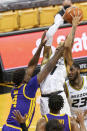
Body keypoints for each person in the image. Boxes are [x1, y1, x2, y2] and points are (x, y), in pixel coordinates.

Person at [2, 31, 65, 131]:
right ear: (24, 79)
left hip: (7, 127)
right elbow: (47, 69)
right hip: (17, 129)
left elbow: (31, 66)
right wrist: (58, 54)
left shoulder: (15, 90)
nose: (29, 74)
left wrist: (40, 46)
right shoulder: (28, 88)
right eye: (27, 74)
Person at [40, 10, 81, 116]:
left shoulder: (67, 62)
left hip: (60, 96)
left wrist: (74, 26)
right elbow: (49, 34)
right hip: (45, 99)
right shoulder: (47, 57)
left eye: (62, 44)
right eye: (59, 44)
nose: (60, 45)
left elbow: (68, 44)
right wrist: (59, 21)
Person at [63, 13, 87, 130]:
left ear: (79, 69)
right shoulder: (65, 86)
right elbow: (67, 47)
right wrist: (74, 27)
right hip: (74, 123)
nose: (69, 72)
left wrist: (84, 115)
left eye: (72, 70)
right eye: (68, 71)